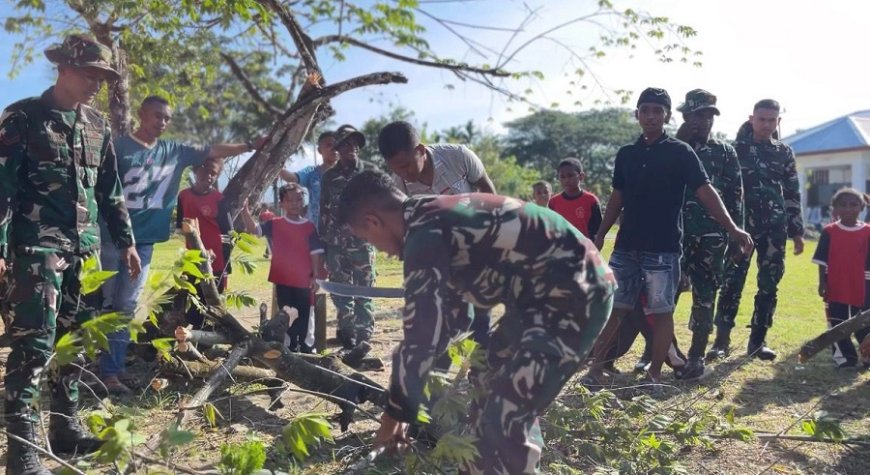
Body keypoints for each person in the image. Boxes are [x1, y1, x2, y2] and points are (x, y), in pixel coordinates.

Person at [337, 170, 615, 474]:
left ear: (373, 221)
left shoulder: (424, 234)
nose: (380, 251)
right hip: (537, 301)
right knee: (485, 378)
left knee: (504, 417)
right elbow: (453, 319)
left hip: (574, 295)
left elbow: (420, 337)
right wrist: (407, 408)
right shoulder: (432, 218)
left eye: (368, 240)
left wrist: (390, 420)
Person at [0, 34, 141, 474]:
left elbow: (110, 190)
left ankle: (65, 428)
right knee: (34, 346)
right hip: (35, 251)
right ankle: (22, 449)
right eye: (89, 74)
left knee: (74, 343)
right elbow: (2, 187)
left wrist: (126, 241)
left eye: (102, 77)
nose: (96, 84)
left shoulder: (98, 125)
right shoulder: (22, 117)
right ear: (63, 68)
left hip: (84, 253)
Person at [100, 95, 263, 394]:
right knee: (104, 302)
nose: (162, 122)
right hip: (112, 237)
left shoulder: (173, 150)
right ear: (142, 114)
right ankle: (90, 365)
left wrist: (251, 145)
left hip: (145, 242)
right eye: (157, 115)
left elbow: (212, 149)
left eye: (167, 118)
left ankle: (112, 370)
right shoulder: (119, 147)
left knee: (126, 304)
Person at [588, 87, 752, 385]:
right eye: (645, 110)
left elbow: (706, 191)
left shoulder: (680, 152)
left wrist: (733, 228)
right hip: (626, 247)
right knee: (616, 309)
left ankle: (654, 376)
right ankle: (595, 370)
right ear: (637, 114)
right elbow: (617, 198)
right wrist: (599, 234)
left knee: (662, 312)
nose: (650, 116)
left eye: (657, 111)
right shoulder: (626, 154)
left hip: (663, 249)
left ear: (666, 116)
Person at [378, 120, 496, 346]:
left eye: (406, 165)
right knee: (454, 312)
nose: (403, 173)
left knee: (480, 307)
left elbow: (488, 191)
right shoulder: (399, 186)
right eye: (396, 169)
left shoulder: (458, 157)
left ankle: (481, 352)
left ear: (420, 150)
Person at [712, 99, 804, 361]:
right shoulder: (734, 150)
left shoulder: (784, 152)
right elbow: (722, 191)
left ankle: (758, 341)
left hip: (774, 229)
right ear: (751, 119)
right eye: (761, 119)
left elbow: (792, 192)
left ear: (778, 121)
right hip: (741, 229)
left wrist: (797, 231)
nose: (766, 124)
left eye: (771, 120)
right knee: (732, 282)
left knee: (769, 284)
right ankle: (721, 340)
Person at [673, 89, 743, 379]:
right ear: (685, 116)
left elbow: (735, 196)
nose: (704, 121)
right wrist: (680, 141)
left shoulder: (725, 152)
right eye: (698, 115)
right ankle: (658, 351)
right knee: (665, 295)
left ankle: (696, 356)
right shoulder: (672, 148)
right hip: (674, 234)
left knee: (705, 295)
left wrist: (737, 235)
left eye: (709, 115)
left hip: (712, 236)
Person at [242, 184, 325, 352]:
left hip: (304, 280)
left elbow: (316, 252)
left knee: (305, 314)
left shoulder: (308, 227)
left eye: (299, 199)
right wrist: (244, 211)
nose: (295, 203)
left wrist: (316, 276)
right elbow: (254, 230)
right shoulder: (275, 224)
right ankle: (288, 348)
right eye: (290, 200)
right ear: (282, 204)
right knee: (285, 314)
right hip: (283, 280)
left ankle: (307, 348)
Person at [320, 124, 376, 349]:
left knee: (365, 290)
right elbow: (323, 211)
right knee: (341, 292)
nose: (352, 147)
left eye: (355, 143)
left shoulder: (370, 172)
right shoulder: (329, 177)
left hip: (363, 244)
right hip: (336, 245)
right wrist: (324, 245)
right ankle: (348, 333)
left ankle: (364, 336)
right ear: (338, 148)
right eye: (346, 144)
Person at [812, 188, 870, 368]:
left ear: (862, 207)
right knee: (838, 322)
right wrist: (822, 282)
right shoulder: (829, 231)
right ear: (835, 208)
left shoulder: (868, 232)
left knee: (864, 323)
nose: (848, 209)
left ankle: (867, 356)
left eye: (853, 205)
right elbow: (822, 260)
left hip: (863, 285)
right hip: (836, 284)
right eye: (842, 205)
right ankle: (845, 359)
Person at [176, 157, 232, 292]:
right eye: (205, 171)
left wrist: (226, 262)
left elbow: (228, 232)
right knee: (190, 297)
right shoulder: (183, 196)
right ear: (196, 170)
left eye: (213, 173)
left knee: (214, 298)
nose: (209, 176)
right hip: (193, 257)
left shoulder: (219, 199)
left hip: (216, 259)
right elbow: (180, 226)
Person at [279, 131, 338, 230]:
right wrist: (277, 163)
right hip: (314, 230)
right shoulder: (311, 172)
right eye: (329, 145)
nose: (334, 149)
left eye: (337, 145)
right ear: (319, 150)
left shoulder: (348, 173)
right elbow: (291, 178)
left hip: (339, 231)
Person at [548, 157, 602, 239]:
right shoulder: (553, 202)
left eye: (570, 176)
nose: (566, 180)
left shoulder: (591, 200)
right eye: (562, 177)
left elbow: (598, 230)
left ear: (581, 176)